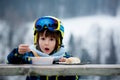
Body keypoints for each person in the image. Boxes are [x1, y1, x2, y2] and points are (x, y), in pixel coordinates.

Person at [7, 16, 79, 80]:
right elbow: (11, 60)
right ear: (37, 40)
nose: (46, 43)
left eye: (51, 39)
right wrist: (18, 52)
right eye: (43, 39)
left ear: (58, 42)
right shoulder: (31, 55)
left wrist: (68, 67)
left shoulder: (64, 58)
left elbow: (77, 76)